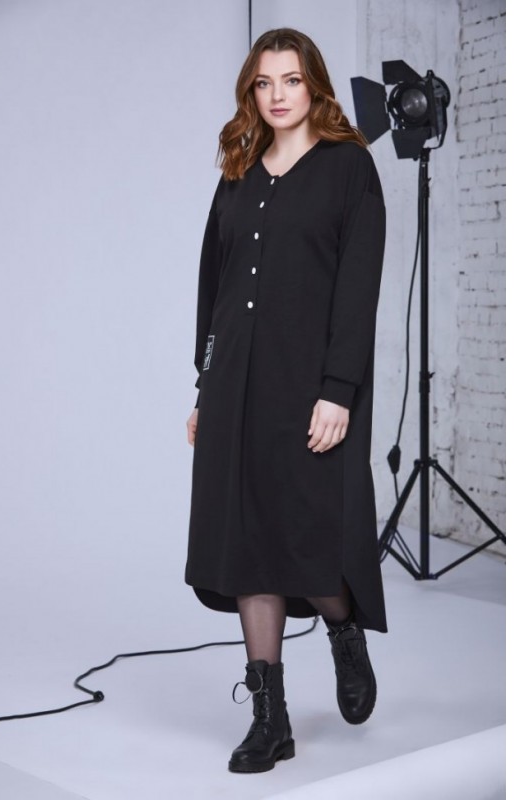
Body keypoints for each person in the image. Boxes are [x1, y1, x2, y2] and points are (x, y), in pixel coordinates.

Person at [185, 28, 387, 774]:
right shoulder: (239, 169)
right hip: (235, 383)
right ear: (252, 91)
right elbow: (213, 286)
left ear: (314, 86)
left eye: (291, 80)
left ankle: (343, 629)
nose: (276, 95)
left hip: (308, 386)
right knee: (248, 544)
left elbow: (358, 289)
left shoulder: (349, 168)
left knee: (308, 538)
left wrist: (338, 391)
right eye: (264, 82)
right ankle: (270, 717)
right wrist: (204, 386)